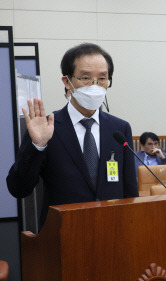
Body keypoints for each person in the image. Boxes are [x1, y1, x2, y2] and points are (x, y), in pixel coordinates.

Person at [6, 43, 138, 229]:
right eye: (85, 77)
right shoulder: (47, 127)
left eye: (102, 78)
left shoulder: (119, 128)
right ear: (67, 81)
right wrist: (37, 146)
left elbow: (130, 190)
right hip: (64, 234)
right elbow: (18, 188)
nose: (95, 85)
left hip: (113, 234)